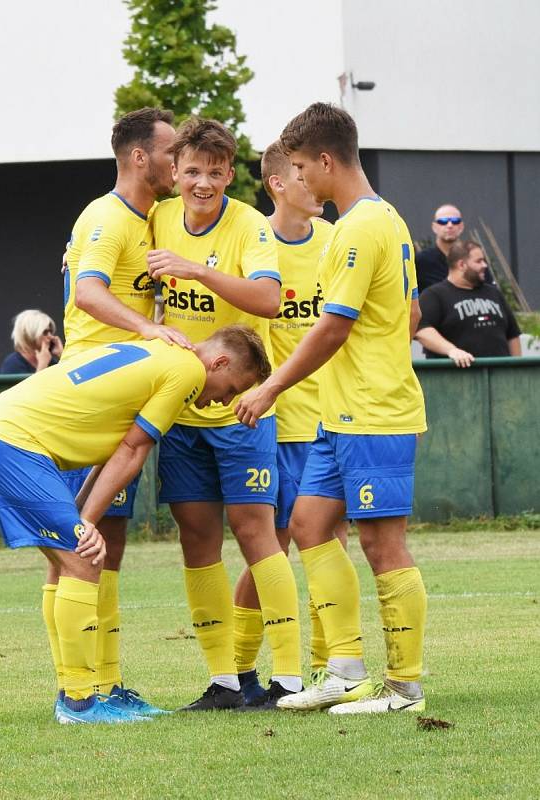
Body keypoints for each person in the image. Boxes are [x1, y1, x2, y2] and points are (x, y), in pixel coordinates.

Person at [0, 325, 271, 724]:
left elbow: (109, 451)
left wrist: (81, 518)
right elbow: (133, 450)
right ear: (219, 362)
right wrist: (86, 525)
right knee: (85, 558)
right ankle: (78, 702)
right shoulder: (189, 372)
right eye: (232, 388)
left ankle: (78, 694)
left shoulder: (158, 354)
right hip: (15, 443)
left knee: (69, 561)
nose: (225, 402)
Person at [236, 102, 428, 715]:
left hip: (373, 413)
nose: (299, 179)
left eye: (300, 166)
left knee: (382, 545)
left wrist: (268, 388)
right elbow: (412, 313)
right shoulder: (387, 219)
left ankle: (403, 686)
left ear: (325, 159)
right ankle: (343, 670)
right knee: (312, 526)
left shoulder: (357, 228)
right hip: (339, 415)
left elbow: (331, 329)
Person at [147, 117, 303, 711]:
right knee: (196, 539)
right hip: (181, 411)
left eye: (215, 172)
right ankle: (223, 681)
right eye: (192, 171)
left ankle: (287, 677)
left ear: (229, 174)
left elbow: (269, 298)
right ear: (175, 172)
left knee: (256, 533)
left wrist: (197, 270)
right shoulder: (158, 218)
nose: (203, 183)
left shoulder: (248, 226)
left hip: (244, 411)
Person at [60, 107, 192, 717]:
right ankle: (80, 690)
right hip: (91, 394)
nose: (178, 163)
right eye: (170, 153)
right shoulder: (105, 215)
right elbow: (87, 292)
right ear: (139, 157)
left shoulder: (150, 220)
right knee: (79, 544)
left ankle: (104, 683)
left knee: (106, 542)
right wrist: (149, 330)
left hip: (120, 389)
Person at [231, 140, 349, 706]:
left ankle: (333, 671)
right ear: (279, 183)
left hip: (330, 420)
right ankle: (235, 672)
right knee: (268, 552)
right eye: (302, 175)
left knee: (332, 545)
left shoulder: (335, 241)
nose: (315, 184)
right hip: (272, 424)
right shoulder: (254, 243)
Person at [415, 240, 521, 367]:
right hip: (457, 378)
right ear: (461, 265)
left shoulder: (494, 293)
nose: (484, 265)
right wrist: (452, 351)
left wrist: (517, 368)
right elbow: (421, 330)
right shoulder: (434, 295)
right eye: (479, 261)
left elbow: (512, 335)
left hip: (500, 377)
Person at [415, 204, 465, 292]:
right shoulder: (421, 261)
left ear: (461, 227)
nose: (449, 225)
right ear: (434, 227)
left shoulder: (472, 259)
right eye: (443, 221)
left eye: (455, 221)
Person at [0, 309, 63, 374]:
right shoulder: (13, 364)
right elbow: (34, 384)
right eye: (45, 332)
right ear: (30, 334)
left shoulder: (49, 361)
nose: (51, 336)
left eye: (51, 332)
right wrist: (42, 366)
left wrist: (62, 354)